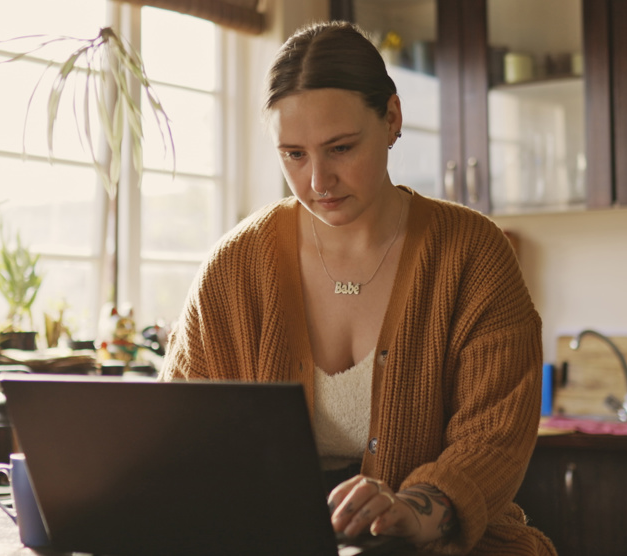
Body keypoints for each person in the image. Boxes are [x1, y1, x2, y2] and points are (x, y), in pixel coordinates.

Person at [160, 20, 553, 556]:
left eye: (340, 148)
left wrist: (413, 512)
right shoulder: (233, 266)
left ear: (391, 118)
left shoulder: (473, 253)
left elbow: (493, 439)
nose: (318, 182)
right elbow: (179, 432)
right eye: (294, 155)